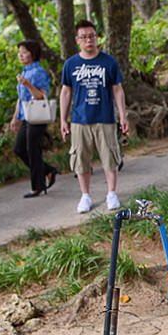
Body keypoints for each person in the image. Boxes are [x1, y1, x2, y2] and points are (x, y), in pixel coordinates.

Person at [59, 20, 128, 214]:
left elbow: (117, 89)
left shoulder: (108, 62)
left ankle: (111, 193)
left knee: (110, 157)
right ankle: (85, 195)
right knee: (80, 159)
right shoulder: (71, 64)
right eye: (84, 37)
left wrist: (122, 116)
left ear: (96, 38)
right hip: (80, 119)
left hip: (105, 117)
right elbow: (65, 92)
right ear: (77, 40)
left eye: (91, 36)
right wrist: (62, 119)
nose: (88, 40)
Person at [10, 40, 58, 198]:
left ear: (32, 53)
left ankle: (37, 186)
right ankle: (47, 170)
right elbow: (20, 98)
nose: (21, 55)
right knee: (19, 148)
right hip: (26, 115)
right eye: (19, 52)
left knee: (33, 150)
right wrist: (15, 117)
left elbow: (41, 95)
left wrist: (28, 85)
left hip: (37, 115)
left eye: (24, 52)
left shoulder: (38, 72)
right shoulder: (24, 71)